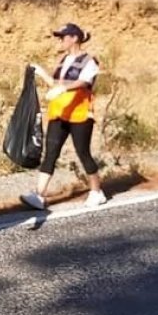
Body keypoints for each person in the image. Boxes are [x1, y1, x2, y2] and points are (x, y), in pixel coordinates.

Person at [19, 23, 108, 211]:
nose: (60, 40)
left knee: (82, 152)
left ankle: (96, 191)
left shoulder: (89, 61)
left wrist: (63, 89)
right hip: (59, 112)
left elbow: (83, 82)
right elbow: (56, 83)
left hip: (80, 114)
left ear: (74, 38)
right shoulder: (63, 60)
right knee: (51, 151)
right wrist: (41, 73)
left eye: (63, 37)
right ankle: (39, 194)